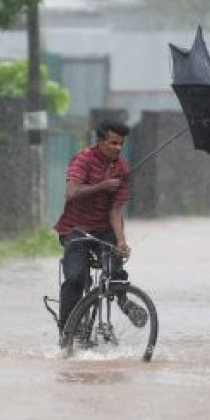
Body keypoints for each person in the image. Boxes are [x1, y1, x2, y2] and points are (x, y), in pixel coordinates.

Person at [53, 119, 132, 334]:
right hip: (75, 230)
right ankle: (67, 330)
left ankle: (123, 301)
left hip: (103, 229)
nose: (118, 148)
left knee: (114, 267)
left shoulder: (121, 168)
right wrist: (101, 187)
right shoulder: (83, 159)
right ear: (100, 142)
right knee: (76, 279)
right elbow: (72, 193)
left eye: (121, 144)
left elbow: (115, 210)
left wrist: (121, 241)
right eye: (113, 143)